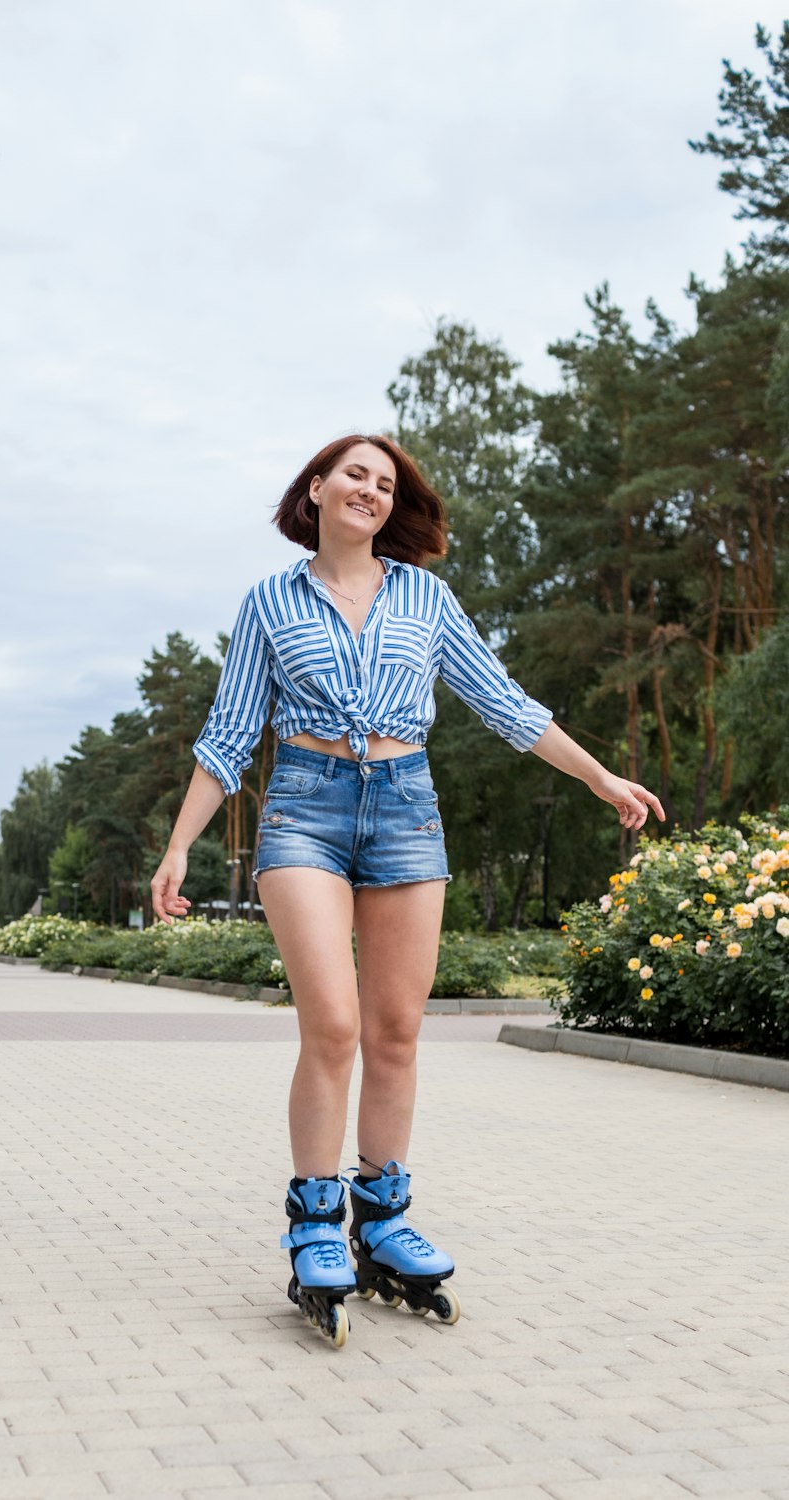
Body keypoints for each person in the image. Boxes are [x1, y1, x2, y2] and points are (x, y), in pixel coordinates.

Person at [150, 434, 664, 1348]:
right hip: (303, 810)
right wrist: (179, 847)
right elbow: (227, 735)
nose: (371, 490)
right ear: (317, 488)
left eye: (386, 483)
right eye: (355, 473)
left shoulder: (425, 597)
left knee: (395, 1031)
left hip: (406, 813)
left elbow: (503, 702)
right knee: (335, 1026)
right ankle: (315, 1223)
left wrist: (598, 777)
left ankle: (381, 1220)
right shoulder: (269, 603)